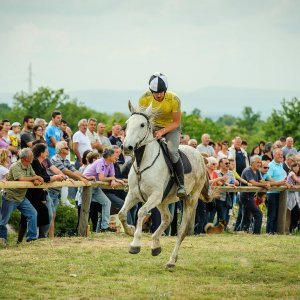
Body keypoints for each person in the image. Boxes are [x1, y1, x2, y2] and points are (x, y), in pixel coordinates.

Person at [138, 72, 186, 198]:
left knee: (172, 151)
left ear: (165, 90)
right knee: (138, 145)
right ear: (150, 91)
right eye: (155, 92)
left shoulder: (174, 99)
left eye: (161, 92)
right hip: (152, 125)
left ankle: (181, 185)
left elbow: (176, 122)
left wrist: (161, 132)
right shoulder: (144, 98)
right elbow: (141, 119)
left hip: (171, 127)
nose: (158, 95)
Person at [17, 144, 65, 243]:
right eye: (46, 151)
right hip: (31, 195)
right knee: (25, 218)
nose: (48, 153)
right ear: (41, 153)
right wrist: (54, 178)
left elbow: (45, 177)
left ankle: (41, 238)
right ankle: (20, 240)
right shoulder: (34, 162)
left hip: (39, 195)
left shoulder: (42, 163)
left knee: (46, 215)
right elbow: (40, 177)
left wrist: (55, 177)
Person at [0, 148, 44, 245]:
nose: (33, 157)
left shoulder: (29, 165)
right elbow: (21, 178)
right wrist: (36, 178)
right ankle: (2, 240)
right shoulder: (15, 165)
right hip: (10, 197)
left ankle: (31, 239)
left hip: (21, 197)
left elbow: (32, 176)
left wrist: (35, 180)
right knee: (3, 220)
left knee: (33, 214)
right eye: (32, 156)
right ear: (26, 158)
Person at [47, 141, 90, 237]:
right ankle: (48, 237)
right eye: (66, 148)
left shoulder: (65, 160)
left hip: (56, 191)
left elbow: (74, 170)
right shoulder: (55, 159)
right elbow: (66, 171)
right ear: (60, 150)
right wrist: (81, 179)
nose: (68, 149)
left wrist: (86, 178)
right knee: (50, 216)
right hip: (49, 191)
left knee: (52, 215)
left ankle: (50, 238)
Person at [240, 155, 270, 234]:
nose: (259, 164)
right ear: (252, 163)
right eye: (257, 162)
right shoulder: (247, 170)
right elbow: (252, 182)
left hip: (250, 196)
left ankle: (243, 231)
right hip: (245, 197)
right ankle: (256, 233)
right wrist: (264, 185)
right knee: (258, 213)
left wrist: (267, 183)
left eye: (260, 162)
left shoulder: (257, 171)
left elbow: (260, 180)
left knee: (246, 216)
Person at [266, 148, 290, 234]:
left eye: (281, 154)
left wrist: (285, 182)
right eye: (278, 154)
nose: (280, 156)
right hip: (272, 193)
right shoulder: (271, 165)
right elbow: (268, 177)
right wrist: (278, 183)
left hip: (281, 193)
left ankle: (276, 231)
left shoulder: (281, 165)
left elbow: (283, 177)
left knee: (279, 213)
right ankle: (269, 232)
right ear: (273, 155)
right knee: (272, 214)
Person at [286, 162, 300, 233]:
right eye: (295, 167)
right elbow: (298, 181)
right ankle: (291, 229)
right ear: (292, 167)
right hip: (289, 196)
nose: (296, 168)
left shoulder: (298, 175)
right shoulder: (291, 173)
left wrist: (297, 186)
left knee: (296, 213)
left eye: (298, 167)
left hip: (296, 196)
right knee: (295, 212)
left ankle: (292, 228)